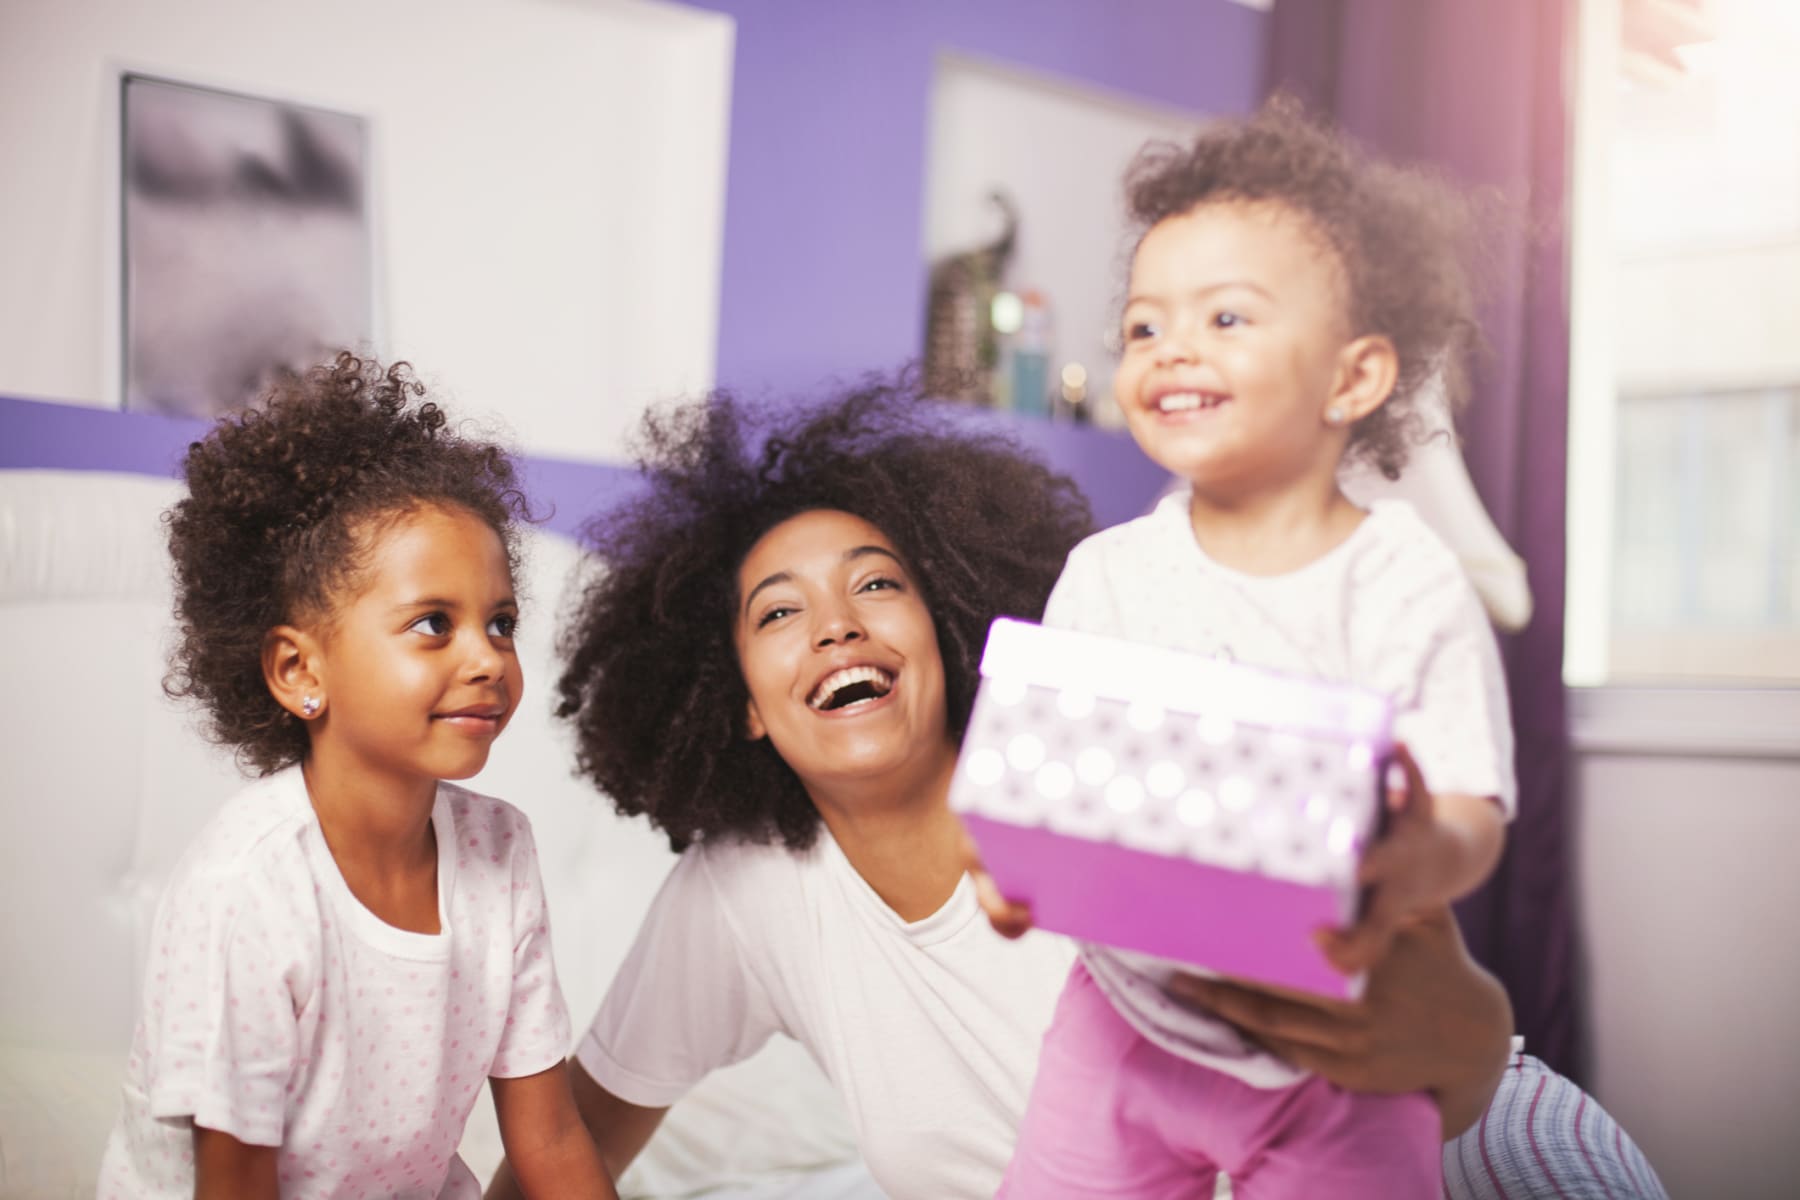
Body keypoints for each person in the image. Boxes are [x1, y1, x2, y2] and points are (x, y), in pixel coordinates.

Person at [485, 378, 1665, 1200]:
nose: (836, 625)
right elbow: (573, 1133)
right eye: (779, 613)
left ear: (945, 628)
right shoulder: (744, 896)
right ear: (735, 699)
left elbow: (1449, 1040)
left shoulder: (1096, 767)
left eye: (877, 585)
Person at [973, 100, 1513, 1198]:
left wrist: (1414, 857)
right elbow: (1040, 771)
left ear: (1354, 379)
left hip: (1337, 1052)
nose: (1171, 347)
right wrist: (1008, 860)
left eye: (1227, 318)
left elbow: (1469, 808)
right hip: (1119, 1026)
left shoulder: (1404, 582)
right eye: (1142, 326)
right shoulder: (1108, 572)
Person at [98, 353, 617, 1199]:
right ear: (301, 671)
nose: (488, 657)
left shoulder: (498, 848)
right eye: (432, 624)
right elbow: (235, 1186)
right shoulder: (250, 887)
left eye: (502, 622)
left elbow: (551, 1139)